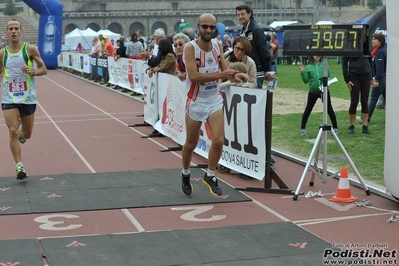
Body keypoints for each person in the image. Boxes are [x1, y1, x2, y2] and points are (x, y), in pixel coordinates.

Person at [181, 13, 249, 196]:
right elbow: (194, 76)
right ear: (198, 27)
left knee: (218, 141)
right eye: (205, 27)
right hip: (196, 101)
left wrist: (235, 75)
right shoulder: (190, 48)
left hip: (214, 100)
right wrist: (222, 76)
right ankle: (185, 173)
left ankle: (210, 175)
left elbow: (224, 69)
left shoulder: (217, 45)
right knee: (190, 143)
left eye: (212, 27)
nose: (209, 30)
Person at [0, 19, 48, 180]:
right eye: (10, 29)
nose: (13, 31)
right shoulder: (2, 53)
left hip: (28, 97)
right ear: (6, 33)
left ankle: (23, 131)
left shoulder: (30, 49)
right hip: (9, 97)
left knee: (26, 135)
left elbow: (44, 69)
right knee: (12, 130)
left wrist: (32, 72)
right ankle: (19, 166)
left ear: (21, 32)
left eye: (16, 28)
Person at [299, 56, 338, 136]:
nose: (317, 56)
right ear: (312, 56)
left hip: (324, 90)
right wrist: (303, 72)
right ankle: (302, 129)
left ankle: (335, 128)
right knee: (308, 109)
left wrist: (327, 80)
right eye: (315, 54)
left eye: (318, 54)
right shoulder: (309, 67)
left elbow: (329, 76)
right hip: (313, 91)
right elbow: (306, 80)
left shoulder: (324, 65)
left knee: (329, 109)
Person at [236, 4, 272, 88]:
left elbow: (263, 50)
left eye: (242, 14)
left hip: (256, 71)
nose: (240, 17)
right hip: (243, 70)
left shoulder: (256, 30)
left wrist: (266, 70)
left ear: (249, 14)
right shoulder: (241, 32)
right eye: (238, 15)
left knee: (255, 97)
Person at [342, 56, 372, 134]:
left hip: (366, 76)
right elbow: (344, 63)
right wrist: (347, 79)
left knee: (365, 101)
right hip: (354, 76)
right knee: (354, 101)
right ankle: (352, 126)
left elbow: (370, 60)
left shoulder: (366, 45)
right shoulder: (350, 46)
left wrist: (372, 76)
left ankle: (365, 126)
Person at [368, 32, 387, 124]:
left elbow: (380, 68)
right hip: (386, 78)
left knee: (373, 98)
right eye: (372, 39)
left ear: (380, 41)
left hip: (381, 78)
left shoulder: (379, 52)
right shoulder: (382, 50)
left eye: (375, 39)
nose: (372, 41)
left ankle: (366, 117)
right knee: (387, 98)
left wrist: (377, 80)